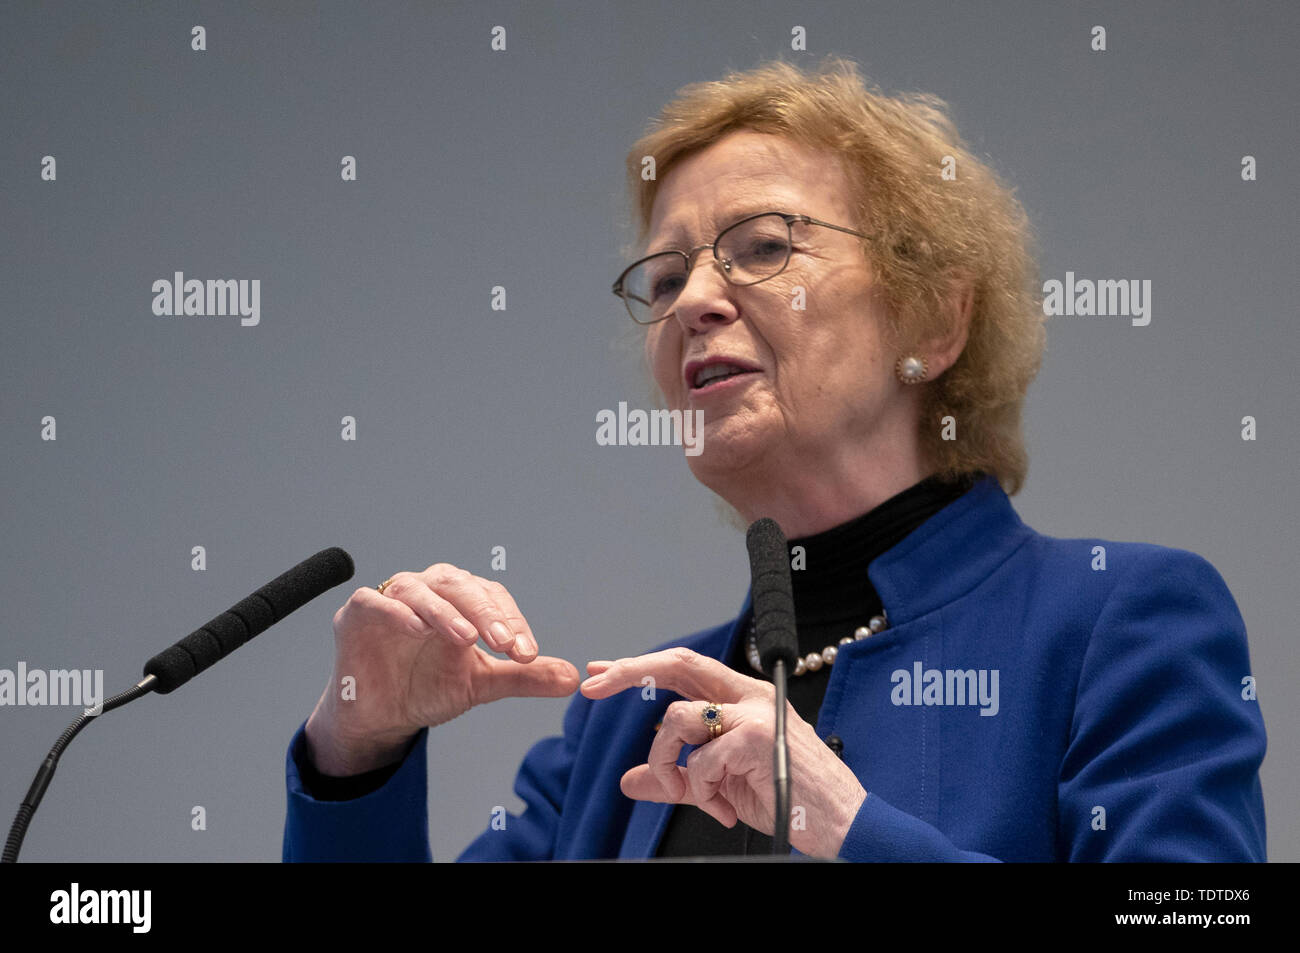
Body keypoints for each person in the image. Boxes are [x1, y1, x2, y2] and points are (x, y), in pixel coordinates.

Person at [282, 57, 1266, 861]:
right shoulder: (623, 724)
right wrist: (357, 750)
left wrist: (852, 830)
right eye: (664, 276)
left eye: (759, 248)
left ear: (933, 315)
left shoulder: (1118, 620)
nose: (694, 300)